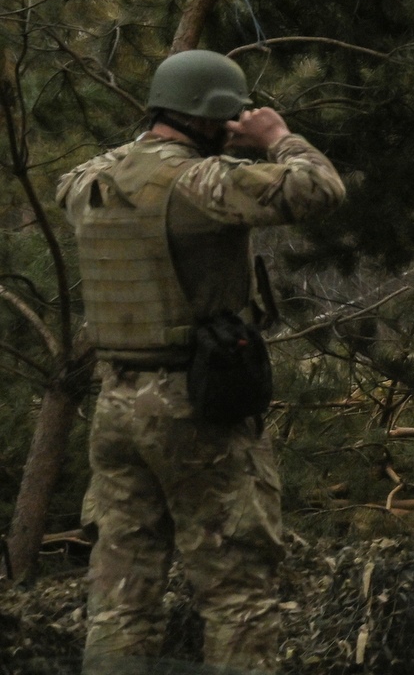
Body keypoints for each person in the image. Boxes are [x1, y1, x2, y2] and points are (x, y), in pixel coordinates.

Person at [59, 48, 344, 674]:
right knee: (237, 588)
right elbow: (319, 188)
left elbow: (90, 179)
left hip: (114, 406)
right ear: (214, 114)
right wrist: (278, 136)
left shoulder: (90, 182)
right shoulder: (200, 184)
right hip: (194, 404)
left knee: (122, 591)